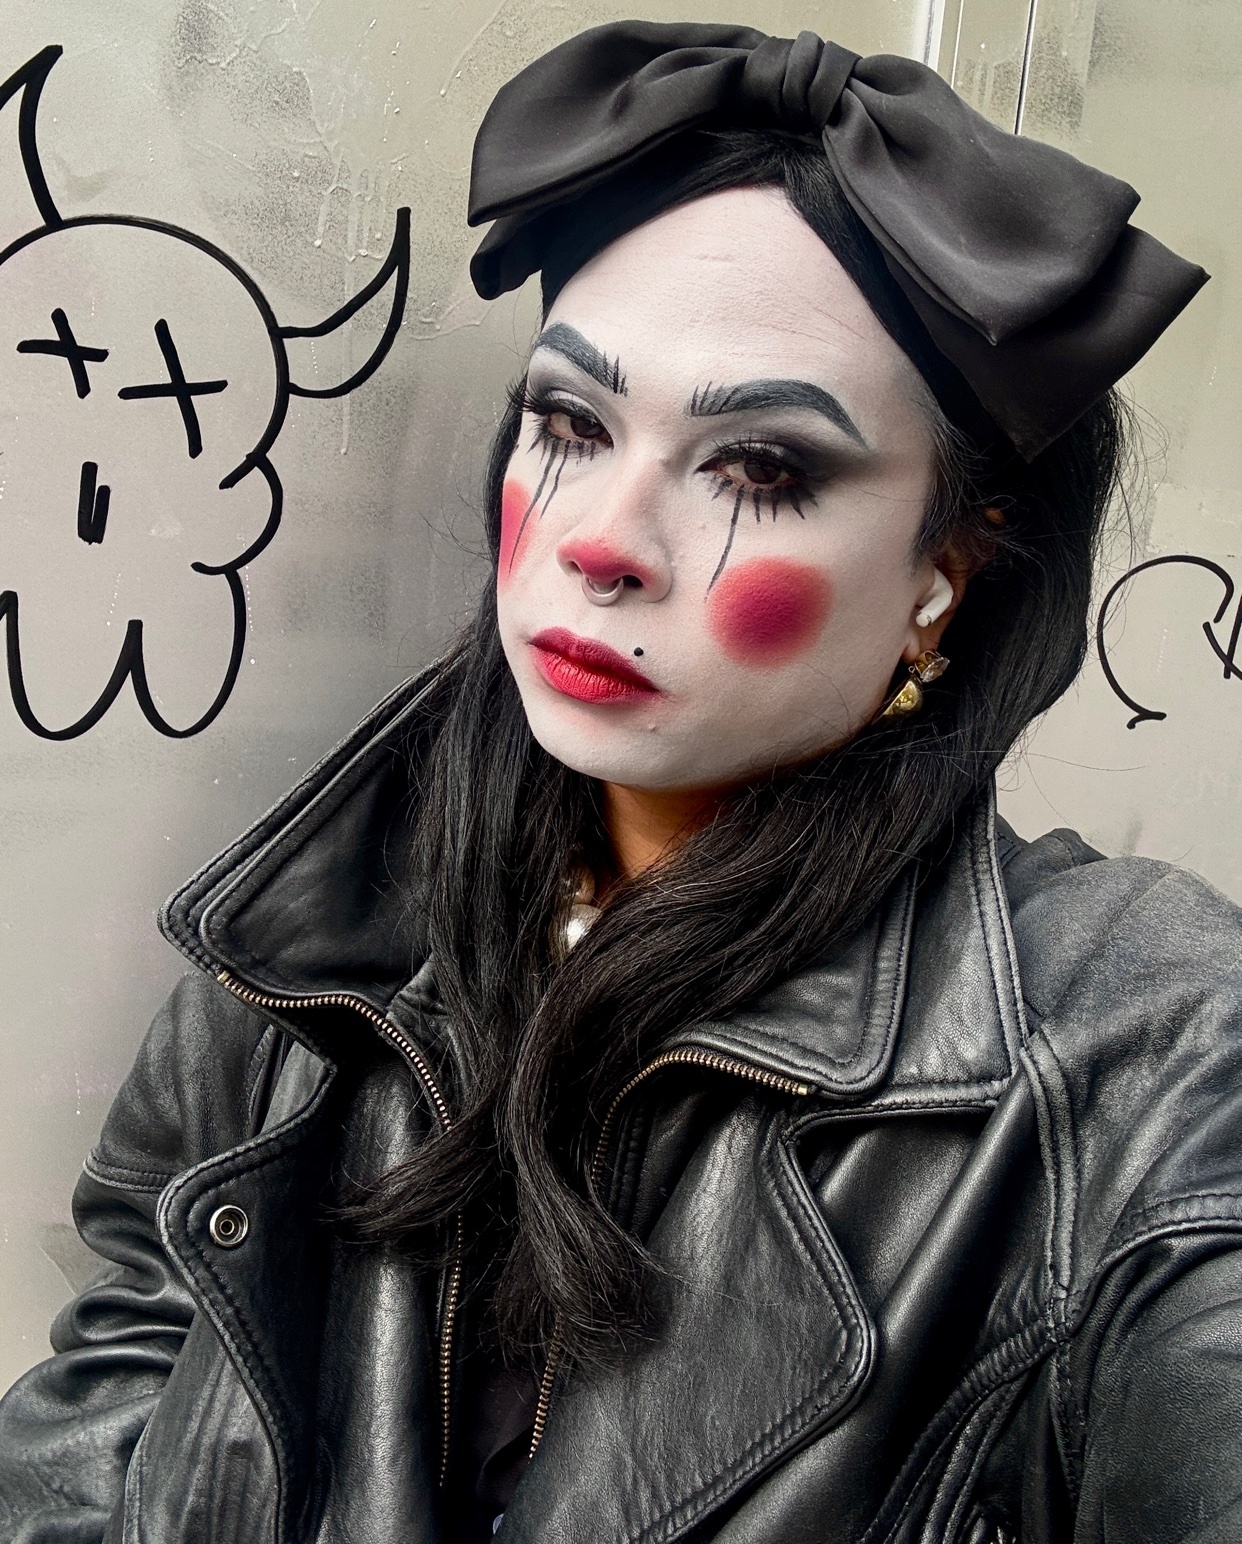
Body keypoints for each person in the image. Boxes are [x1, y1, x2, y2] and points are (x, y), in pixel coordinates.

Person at [1, 20, 1237, 1544]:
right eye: (571, 425)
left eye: (760, 469)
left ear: (944, 576)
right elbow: (130, 1357)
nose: (601, 539)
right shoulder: (319, 924)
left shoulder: (1140, 1043)